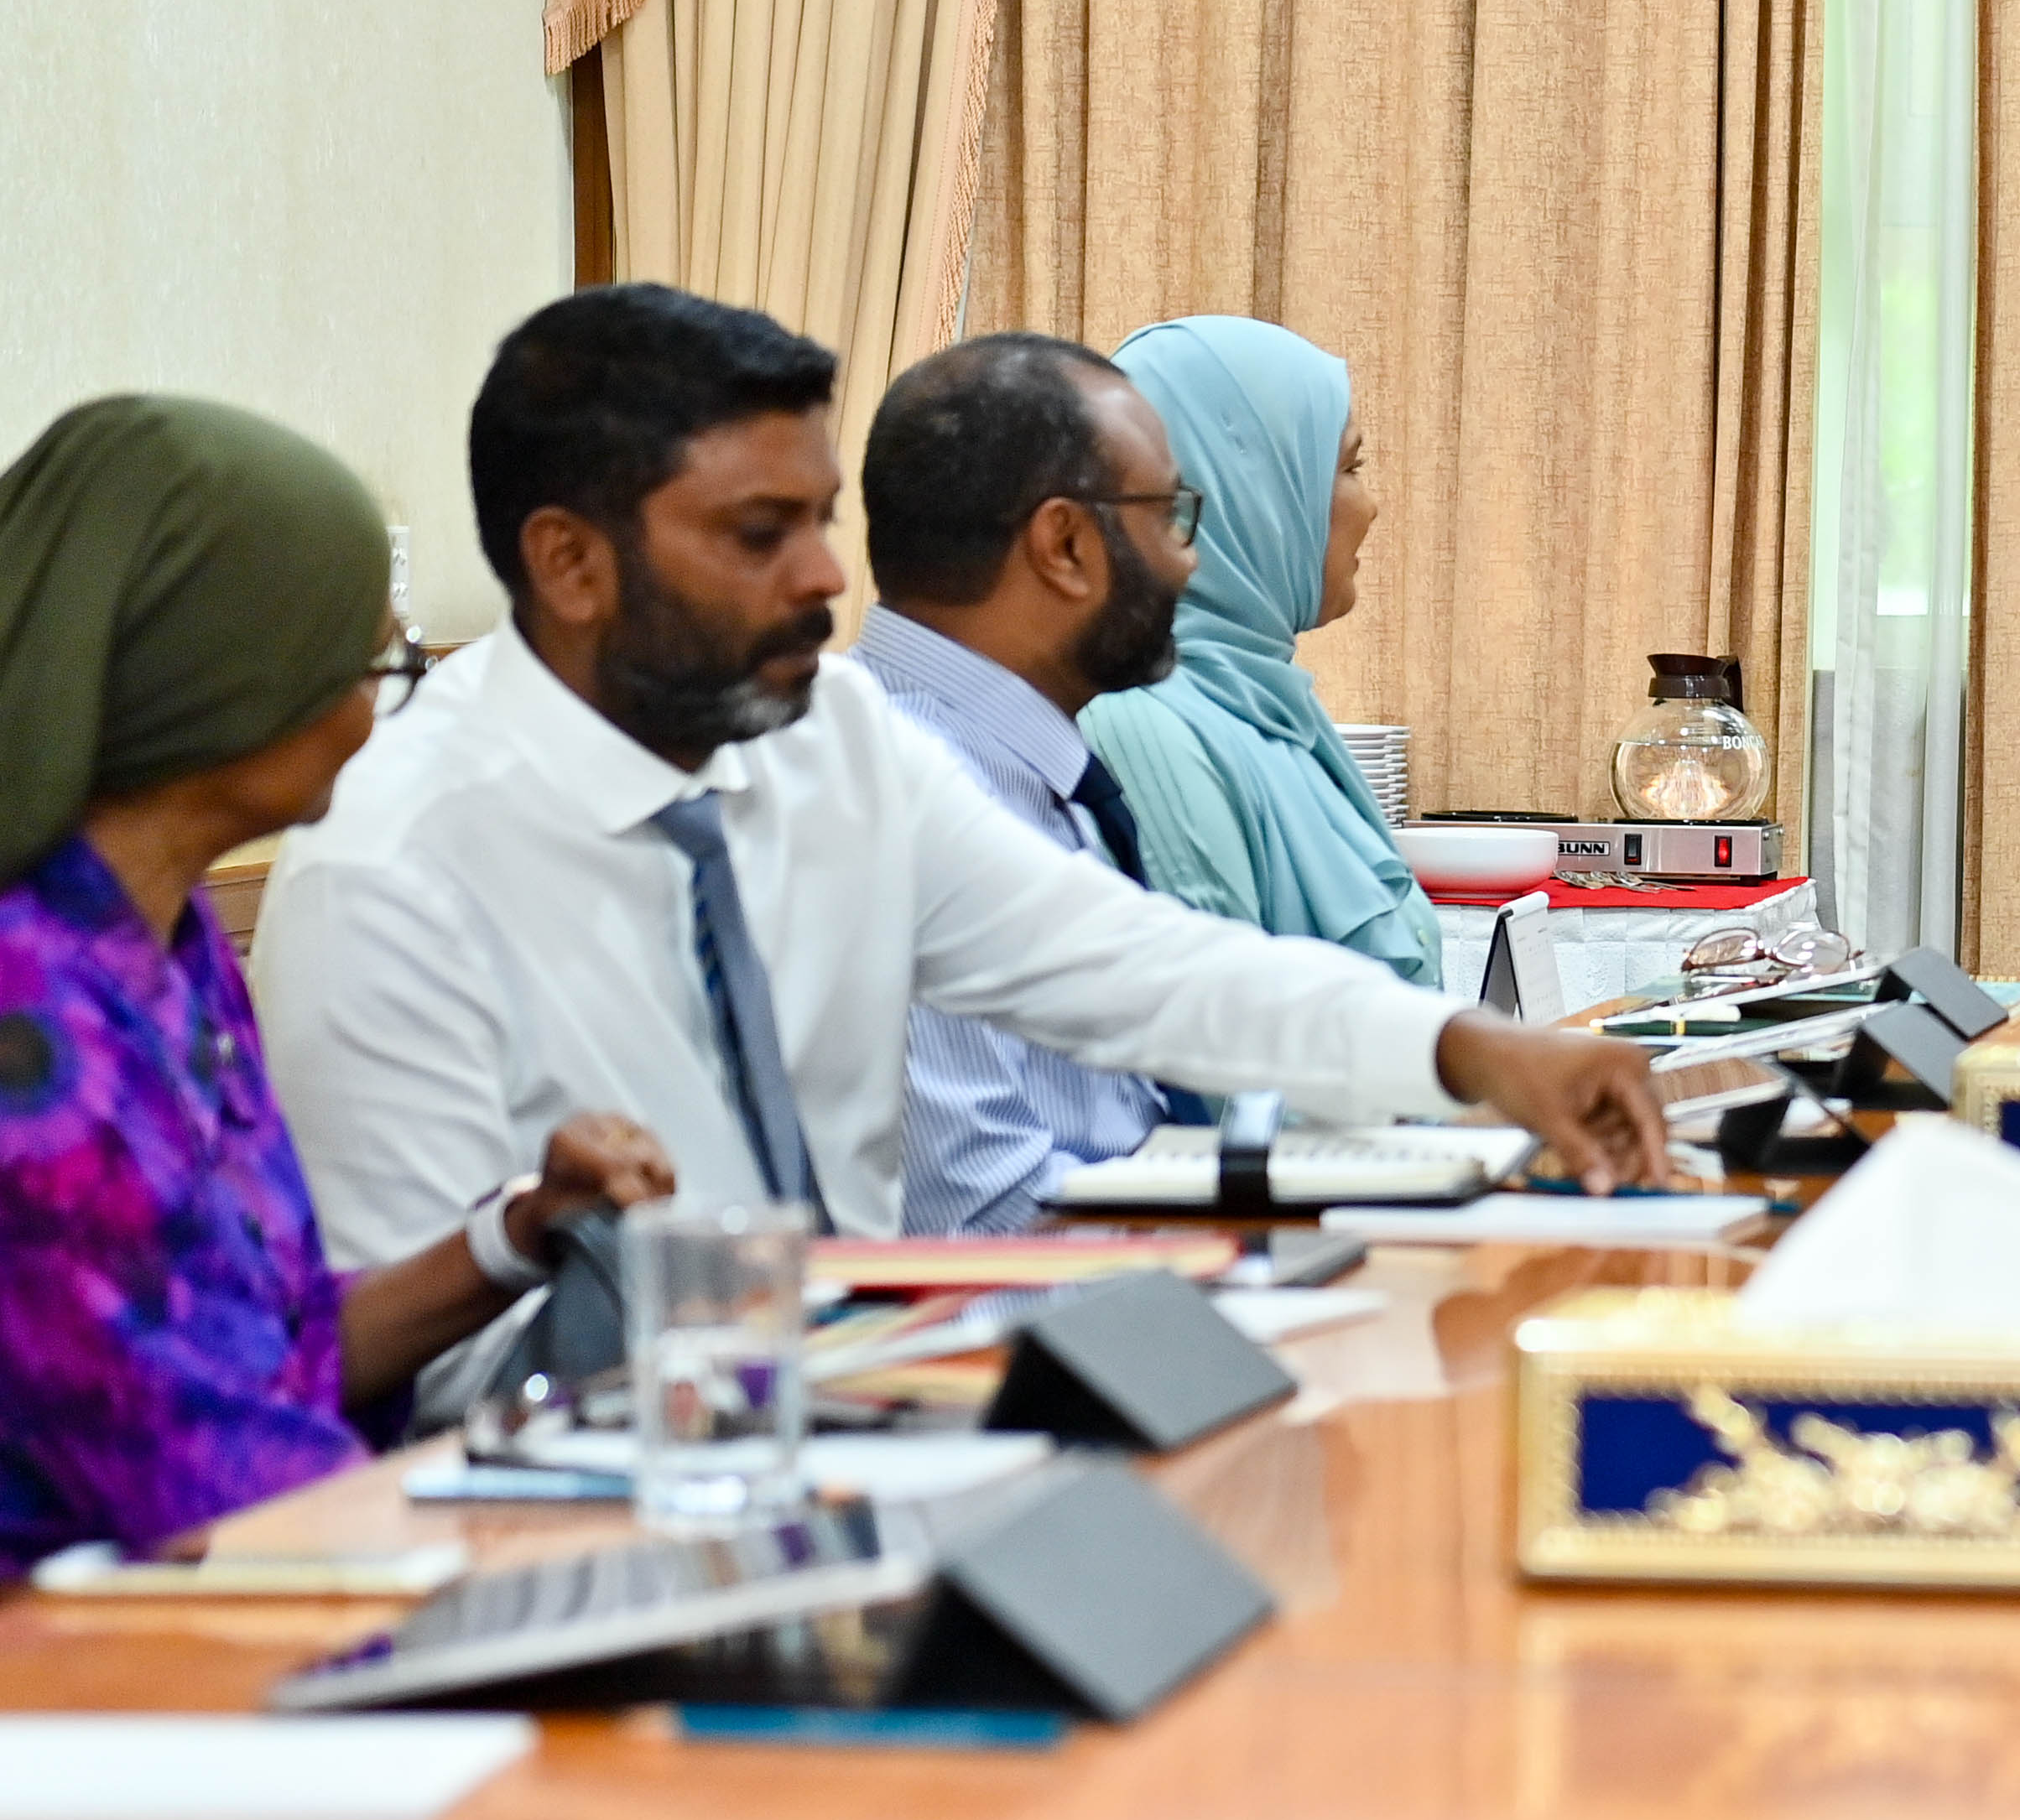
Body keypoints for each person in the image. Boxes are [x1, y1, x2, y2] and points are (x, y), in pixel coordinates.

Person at [248, 287, 1663, 1395]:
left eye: (820, 521)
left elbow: (1135, 967)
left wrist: (1467, 1049)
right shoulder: (391, 867)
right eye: (758, 533)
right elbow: (417, 1366)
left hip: (874, 1414)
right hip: (594, 1487)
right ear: (569, 562)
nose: (824, 576)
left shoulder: (830, 740)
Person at [0, 398, 673, 1568]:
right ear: (226, 685)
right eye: (372, 663)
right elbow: (205, 1483)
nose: (378, 708)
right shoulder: (30, 1032)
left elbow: (278, 1354)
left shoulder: (169, 943)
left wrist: (518, 1231)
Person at [855, 333, 1212, 1234]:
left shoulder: (1025, 760)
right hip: (1045, 1307)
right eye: (1168, 515)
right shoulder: (887, 783)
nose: (1188, 560)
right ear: (1064, 544)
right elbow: (975, 1220)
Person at [1080, 315, 1444, 989]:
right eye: (1349, 468)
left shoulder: (1271, 710)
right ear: (1248, 492)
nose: (1371, 507)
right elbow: (1216, 1035)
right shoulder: (1145, 725)